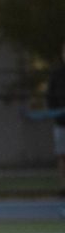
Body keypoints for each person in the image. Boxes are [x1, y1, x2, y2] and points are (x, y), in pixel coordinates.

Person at [47, 43, 65, 197]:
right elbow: (50, 96)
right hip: (61, 122)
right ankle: (63, 187)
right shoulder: (57, 74)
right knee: (61, 155)